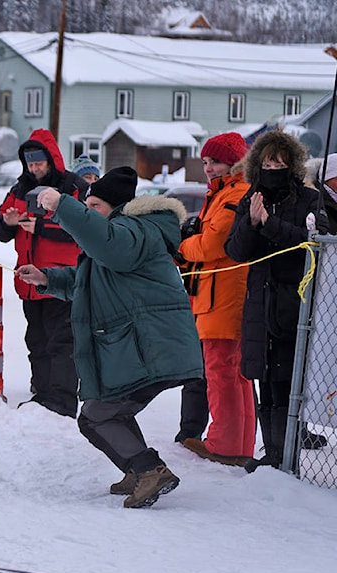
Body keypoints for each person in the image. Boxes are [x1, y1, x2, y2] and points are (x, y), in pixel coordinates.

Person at [17, 167, 203, 508]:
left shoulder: (132, 231)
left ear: (117, 206)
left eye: (96, 205)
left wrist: (62, 205)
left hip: (150, 345)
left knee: (96, 415)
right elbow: (91, 279)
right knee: (107, 410)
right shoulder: (125, 235)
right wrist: (48, 278)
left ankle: (150, 470)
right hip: (145, 345)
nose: (90, 212)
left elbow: (106, 244)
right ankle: (139, 471)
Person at [224, 130, 330, 472]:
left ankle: (286, 460)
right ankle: (271, 456)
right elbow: (236, 251)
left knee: (286, 386)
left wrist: (270, 225)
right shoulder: (250, 198)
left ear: (293, 165)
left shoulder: (309, 200)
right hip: (258, 306)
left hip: (292, 306)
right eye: (268, 162)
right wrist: (252, 223)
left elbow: (310, 246)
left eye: (280, 163)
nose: (273, 168)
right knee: (264, 384)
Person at [0, 129, 89, 418]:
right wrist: (7, 222)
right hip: (30, 283)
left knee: (62, 343)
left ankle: (61, 401)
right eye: (30, 164)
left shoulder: (74, 186)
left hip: (63, 281)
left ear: (51, 159)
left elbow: (86, 227)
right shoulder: (19, 189)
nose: (34, 169)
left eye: (39, 164)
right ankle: (43, 394)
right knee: (37, 341)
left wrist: (43, 228)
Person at [174, 133, 255, 465]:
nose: (208, 168)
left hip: (223, 295)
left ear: (234, 162)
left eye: (215, 162)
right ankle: (235, 445)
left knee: (222, 371)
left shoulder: (235, 193)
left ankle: (224, 445)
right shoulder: (224, 193)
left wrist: (180, 248)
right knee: (233, 372)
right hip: (217, 293)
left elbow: (210, 246)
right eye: (206, 162)